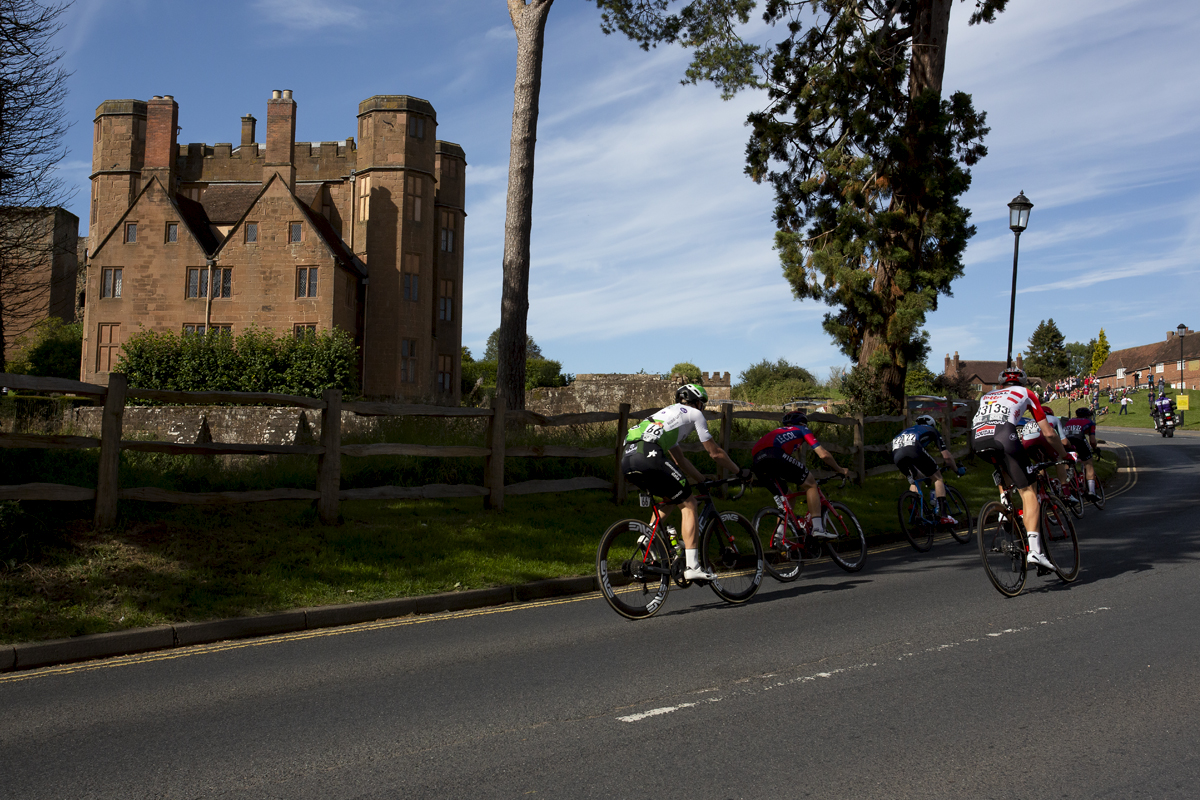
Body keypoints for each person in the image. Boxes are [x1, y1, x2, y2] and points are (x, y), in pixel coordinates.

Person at [621, 383, 748, 582]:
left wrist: (702, 479)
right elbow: (714, 452)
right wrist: (739, 471)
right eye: (702, 404)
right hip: (649, 454)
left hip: (627, 459)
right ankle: (693, 567)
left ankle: (646, 538)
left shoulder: (667, 416)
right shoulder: (694, 414)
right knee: (689, 503)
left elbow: (681, 461)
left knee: (671, 497)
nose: (702, 408)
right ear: (697, 402)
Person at [971, 367, 1070, 571]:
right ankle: (1035, 551)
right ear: (1023, 382)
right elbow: (1049, 434)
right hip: (1003, 435)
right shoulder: (1027, 393)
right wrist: (1064, 454)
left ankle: (1004, 507)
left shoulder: (987, 395)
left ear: (1001, 384)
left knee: (1004, 468)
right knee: (1028, 490)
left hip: (977, 438)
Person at [749, 409, 851, 539]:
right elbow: (823, 454)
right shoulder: (802, 429)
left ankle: (780, 537)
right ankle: (818, 528)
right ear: (803, 423)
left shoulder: (779, 431)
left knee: (788, 497)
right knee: (811, 484)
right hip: (775, 454)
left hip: (757, 461)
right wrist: (840, 469)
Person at [891, 414, 965, 524]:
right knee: (938, 478)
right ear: (932, 425)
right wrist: (956, 470)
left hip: (896, 453)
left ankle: (915, 510)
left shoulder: (910, 430)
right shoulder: (931, 430)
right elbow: (946, 456)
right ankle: (944, 516)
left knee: (916, 479)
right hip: (913, 448)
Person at [1063, 407, 1101, 500]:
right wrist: (1096, 449)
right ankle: (1091, 491)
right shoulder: (1090, 422)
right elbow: (1092, 441)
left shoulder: (1070, 421)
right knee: (1088, 463)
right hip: (1079, 440)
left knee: (1067, 462)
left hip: (1066, 441)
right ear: (1088, 415)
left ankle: (1070, 484)